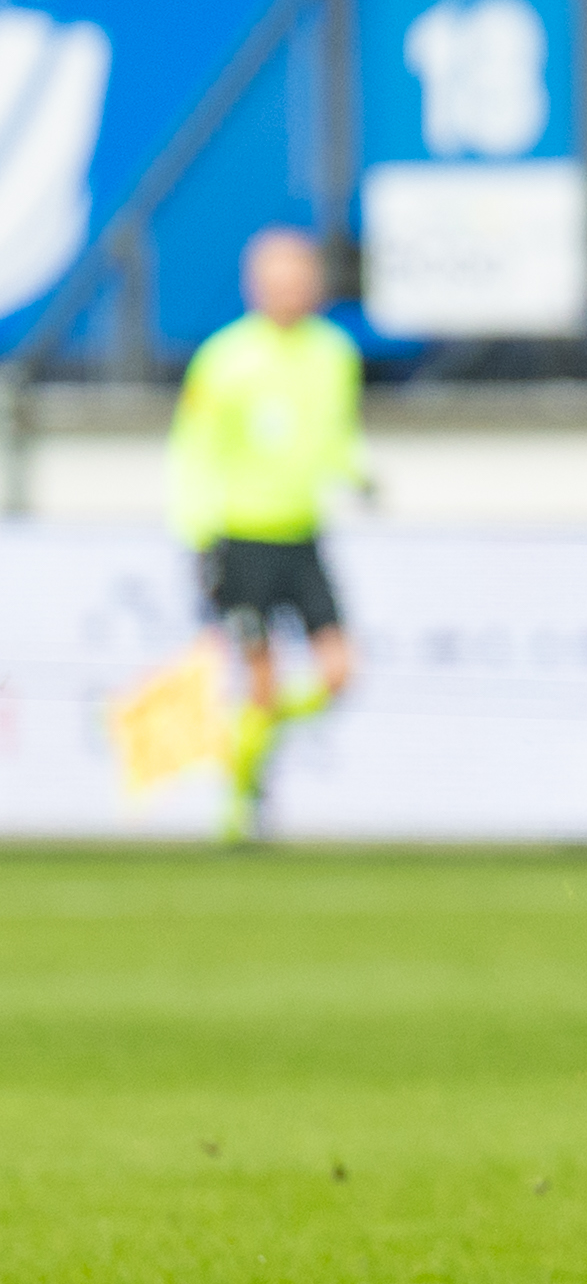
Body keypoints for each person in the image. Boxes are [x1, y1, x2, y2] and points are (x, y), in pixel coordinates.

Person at [167, 229, 366, 841]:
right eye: (276, 280)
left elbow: (334, 439)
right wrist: (200, 536)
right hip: (242, 538)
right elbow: (194, 451)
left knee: (337, 673)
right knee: (261, 676)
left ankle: (258, 734)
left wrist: (359, 476)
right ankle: (242, 804)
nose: (289, 291)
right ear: (255, 287)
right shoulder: (225, 358)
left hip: (303, 537)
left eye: (299, 278)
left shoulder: (334, 353)